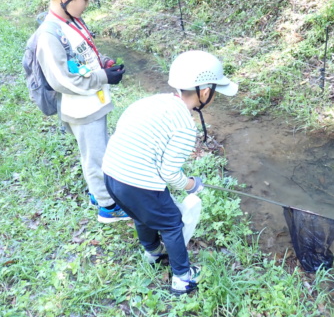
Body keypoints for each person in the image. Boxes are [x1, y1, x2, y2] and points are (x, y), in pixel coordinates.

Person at [102, 50, 238, 295]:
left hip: (112, 174)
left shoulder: (153, 102)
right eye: (215, 90)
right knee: (172, 223)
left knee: (142, 215)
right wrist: (192, 185)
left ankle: (153, 253)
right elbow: (170, 175)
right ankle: (183, 279)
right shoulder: (184, 126)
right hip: (139, 184)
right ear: (204, 92)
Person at [35, 0, 130, 223]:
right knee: (96, 159)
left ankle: (97, 193)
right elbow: (63, 80)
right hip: (81, 110)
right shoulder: (49, 35)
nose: (87, 5)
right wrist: (103, 77)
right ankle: (107, 206)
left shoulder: (72, 20)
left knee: (97, 151)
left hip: (92, 103)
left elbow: (84, 53)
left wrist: (104, 63)